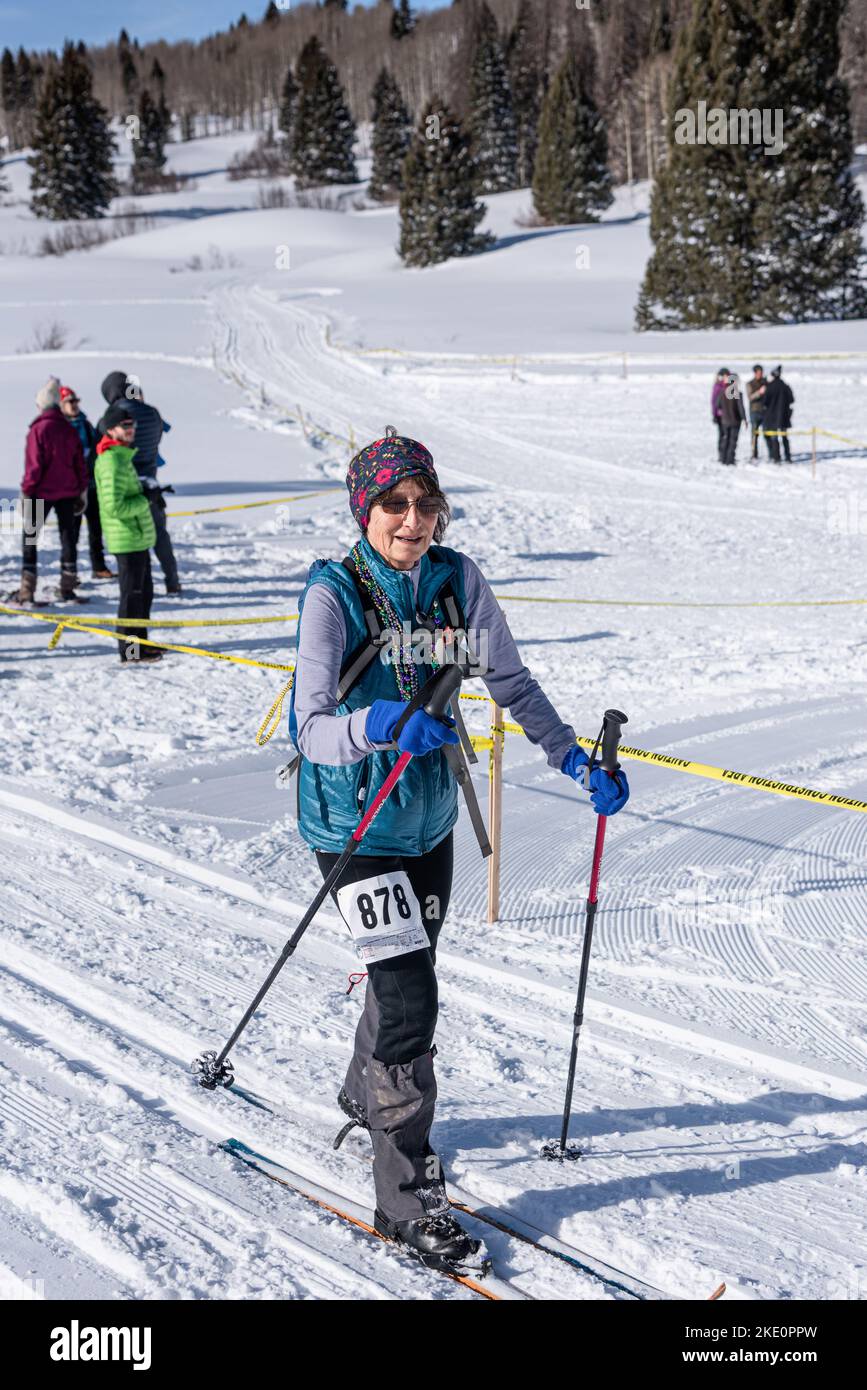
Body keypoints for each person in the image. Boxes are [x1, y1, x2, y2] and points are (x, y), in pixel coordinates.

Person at [288, 429, 630, 1269]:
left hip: (429, 819)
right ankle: (406, 1197)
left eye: (426, 504)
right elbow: (311, 727)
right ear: (363, 510)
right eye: (394, 504)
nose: (412, 521)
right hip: (351, 827)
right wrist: (378, 722)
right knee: (409, 998)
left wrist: (572, 756)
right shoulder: (333, 593)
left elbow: (509, 682)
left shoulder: (456, 580)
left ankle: (365, 1091)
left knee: (402, 973)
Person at [97, 371, 180, 595]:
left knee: (134, 540)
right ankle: (172, 580)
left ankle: (139, 585)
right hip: (152, 482)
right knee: (160, 534)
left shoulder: (114, 416)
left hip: (127, 483)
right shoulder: (152, 412)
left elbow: (102, 443)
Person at [93, 403, 163, 665]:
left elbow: (127, 494)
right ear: (111, 429)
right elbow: (114, 506)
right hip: (126, 538)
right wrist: (145, 498)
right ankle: (129, 651)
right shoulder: (111, 461)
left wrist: (151, 491)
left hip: (137, 537)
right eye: (125, 425)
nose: (131, 429)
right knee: (131, 596)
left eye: (132, 424)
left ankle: (141, 645)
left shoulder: (122, 456)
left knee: (143, 594)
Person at [12, 376, 88, 606]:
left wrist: (26, 491)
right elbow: (79, 463)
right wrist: (81, 489)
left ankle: (27, 590)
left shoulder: (38, 429)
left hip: (40, 494)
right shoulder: (68, 428)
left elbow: (34, 466)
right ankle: (68, 587)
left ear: (42, 404)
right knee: (68, 538)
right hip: (67, 492)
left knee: (31, 538)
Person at [60, 384, 114, 581]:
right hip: (71, 489)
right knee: (71, 532)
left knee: (96, 529)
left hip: (91, 485)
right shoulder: (61, 426)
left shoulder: (86, 424)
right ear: (62, 405)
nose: (74, 405)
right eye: (69, 402)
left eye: (75, 401)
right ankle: (69, 571)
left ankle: (98, 566)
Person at [762, 366, 795, 463]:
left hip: (772, 417)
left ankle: (776, 457)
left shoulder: (769, 387)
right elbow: (792, 400)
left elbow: (765, 402)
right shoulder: (785, 386)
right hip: (784, 416)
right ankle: (788, 457)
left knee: (774, 437)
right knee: (784, 437)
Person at [718, 372, 746, 466]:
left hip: (725, 421)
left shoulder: (722, 392)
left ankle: (723, 459)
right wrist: (744, 419)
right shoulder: (737, 393)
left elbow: (718, 405)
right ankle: (730, 460)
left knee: (725, 439)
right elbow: (741, 408)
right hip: (735, 421)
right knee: (733, 441)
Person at [746, 363, 768, 460]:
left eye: (761, 372)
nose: (760, 374)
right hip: (754, 412)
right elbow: (750, 397)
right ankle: (754, 454)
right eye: (758, 372)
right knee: (754, 434)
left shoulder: (765, 382)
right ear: (755, 373)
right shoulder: (749, 384)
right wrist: (759, 392)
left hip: (765, 412)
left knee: (767, 433)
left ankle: (771, 453)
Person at [711, 368, 728, 463]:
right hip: (720, 415)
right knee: (722, 435)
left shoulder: (728, 386)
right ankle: (721, 455)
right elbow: (713, 402)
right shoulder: (717, 387)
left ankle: (726, 455)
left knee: (727, 435)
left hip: (728, 415)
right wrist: (714, 414)